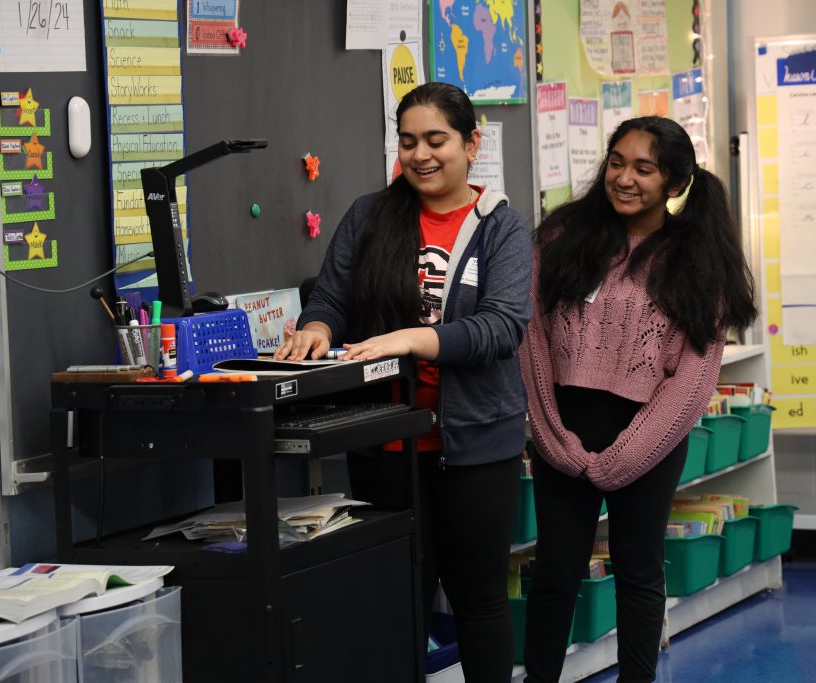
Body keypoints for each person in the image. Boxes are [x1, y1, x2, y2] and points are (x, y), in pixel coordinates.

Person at [275, 82, 533, 682]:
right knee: (393, 603)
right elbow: (332, 297)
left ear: (471, 143)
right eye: (409, 140)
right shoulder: (369, 216)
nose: (422, 155)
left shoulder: (502, 227)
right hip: (386, 446)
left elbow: (502, 327)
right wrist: (316, 326)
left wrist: (412, 339)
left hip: (475, 449)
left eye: (436, 140)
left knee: (480, 601)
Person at [520, 116, 757, 683]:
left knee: (639, 571)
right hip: (562, 429)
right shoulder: (560, 236)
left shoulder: (696, 259)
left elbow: (695, 376)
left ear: (674, 183)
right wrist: (553, 437)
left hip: (649, 435)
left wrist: (625, 456)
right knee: (555, 572)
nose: (624, 178)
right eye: (617, 162)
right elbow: (530, 336)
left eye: (644, 169)